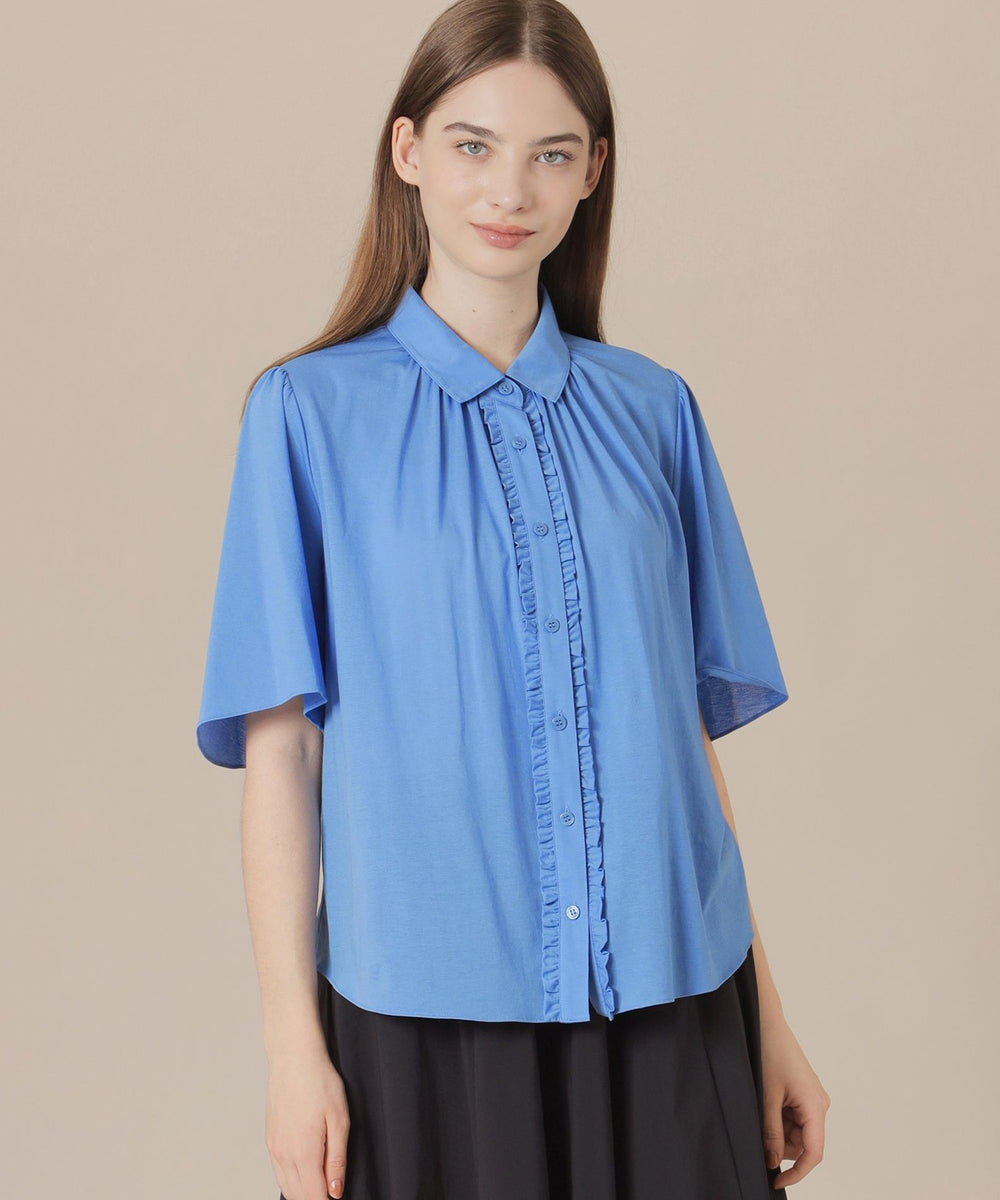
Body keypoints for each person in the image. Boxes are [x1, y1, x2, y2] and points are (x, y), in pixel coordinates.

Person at [195, 1, 831, 1196]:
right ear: (407, 152)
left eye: (550, 154)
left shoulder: (653, 412)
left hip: (675, 1001)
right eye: (472, 144)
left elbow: (680, 749)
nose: (509, 190)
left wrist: (769, 1018)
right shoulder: (307, 416)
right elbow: (280, 756)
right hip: (423, 1023)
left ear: (593, 171)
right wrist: (292, 1048)